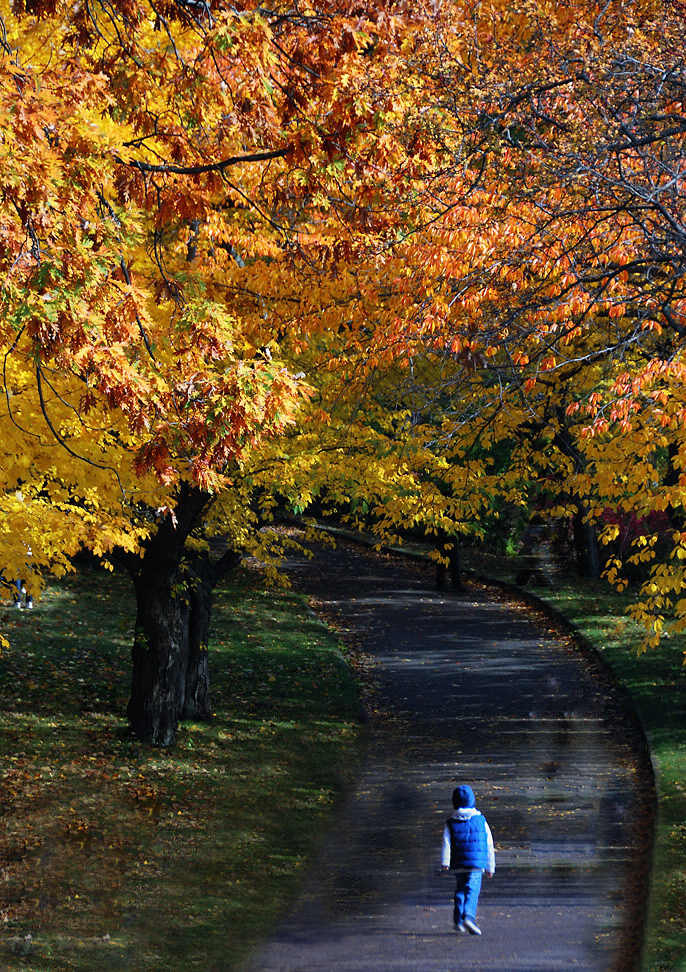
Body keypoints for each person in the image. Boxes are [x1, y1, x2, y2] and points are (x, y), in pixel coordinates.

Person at [441, 784, 495, 935]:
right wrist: (490, 867)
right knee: (472, 890)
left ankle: (458, 921)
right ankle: (469, 917)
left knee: (460, 890)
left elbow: (446, 842)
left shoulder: (450, 822)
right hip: (476, 864)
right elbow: (489, 844)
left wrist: (445, 862)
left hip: (458, 863)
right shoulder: (480, 819)